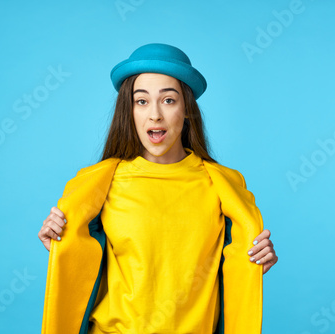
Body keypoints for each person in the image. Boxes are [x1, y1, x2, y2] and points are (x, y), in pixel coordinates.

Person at [39, 43, 278, 334]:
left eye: (168, 100)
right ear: (129, 111)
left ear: (187, 109)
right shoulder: (98, 183)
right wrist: (61, 245)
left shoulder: (223, 186)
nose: (154, 114)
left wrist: (254, 260)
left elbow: (236, 264)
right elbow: (84, 262)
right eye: (141, 101)